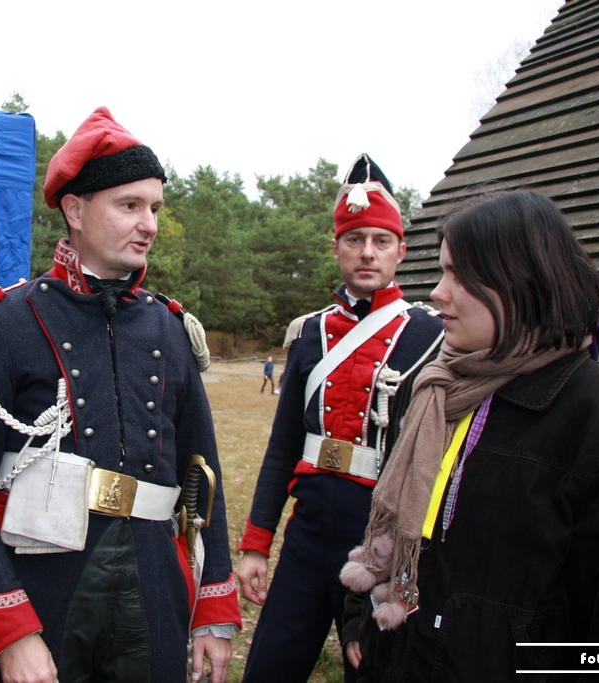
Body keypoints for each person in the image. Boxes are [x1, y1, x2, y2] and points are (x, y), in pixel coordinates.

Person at [0, 107, 241, 683]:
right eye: (130, 206)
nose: (148, 224)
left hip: (154, 582)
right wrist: (12, 629)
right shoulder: (6, 323)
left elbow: (203, 473)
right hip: (44, 587)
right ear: (74, 210)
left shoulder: (170, 327)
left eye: (155, 208)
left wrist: (213, 605)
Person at [341, 190, 599, 681]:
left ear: (522, 279)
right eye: (442, 272)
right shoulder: (432, 389)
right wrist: (360, 617)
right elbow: (395, 522)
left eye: (459, 275)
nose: (438, 292)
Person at [237, 154, 444, 683]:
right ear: (336, 248)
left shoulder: (431, 334)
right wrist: (257, 542)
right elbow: (285, 443)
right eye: (354, 240)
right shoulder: (310, 333)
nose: (367, 252)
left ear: (401, 250)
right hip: (308, 532)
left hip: (377, 539)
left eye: (381, 241)